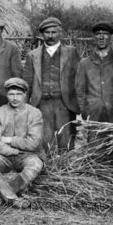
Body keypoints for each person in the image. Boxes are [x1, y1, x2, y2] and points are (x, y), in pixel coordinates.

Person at [0, 78, 44, 209]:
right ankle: (12, 198)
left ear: (25, 95)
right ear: (6, 95)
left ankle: (0, 199)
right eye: (11, 94)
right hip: (4, 157)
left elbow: (33, 144)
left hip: (27, 157)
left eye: (19, 94)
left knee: (36, 164)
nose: (15, 98)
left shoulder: (34, 113)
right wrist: (15, 150)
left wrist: (10, 140)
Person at [23, 17, 80, 150]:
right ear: (42, 34)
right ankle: (46, 167)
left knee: (66, 139)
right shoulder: (33, 55)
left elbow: (78, 80)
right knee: (44, 139)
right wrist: (24, 107)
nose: (50, 36)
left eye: (54, 32)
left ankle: (66, 168)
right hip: (42, 103)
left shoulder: (71, 52)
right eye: (47, 32)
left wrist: (79, 105)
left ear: (60, 33)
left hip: (64, 104)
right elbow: (27, 83)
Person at [75, 21, 113, 123]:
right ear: (94, 37)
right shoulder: (84, 63)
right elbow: (80, 92)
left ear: (110, 37)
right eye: (97, 34)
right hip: (93, 116)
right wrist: (85, 112)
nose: (101, 37)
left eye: (105, 34)